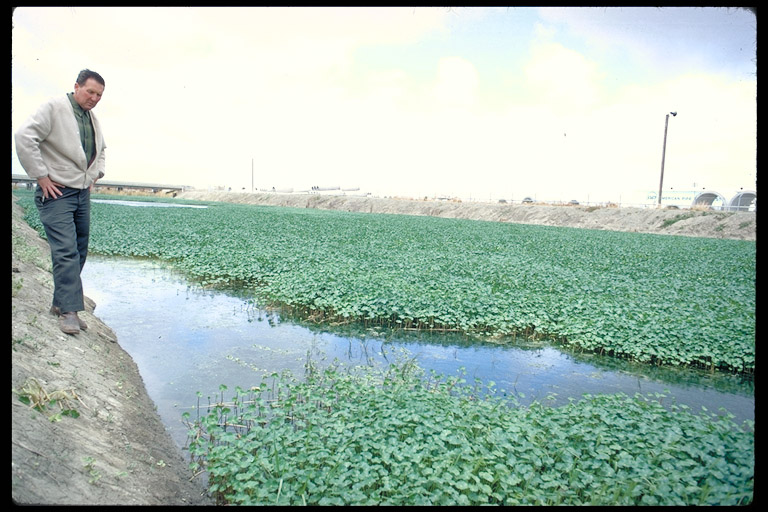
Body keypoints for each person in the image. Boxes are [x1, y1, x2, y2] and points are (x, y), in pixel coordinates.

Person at [15, 69, 107, 335]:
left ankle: (60, 302)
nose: (94, 98)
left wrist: (95, 174)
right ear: (77, 86)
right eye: (90, 91)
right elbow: (24, 137)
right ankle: (69, 312)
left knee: (78, 249)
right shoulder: (54, 107)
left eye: (99, 95)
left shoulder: (93, 119)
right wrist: (41, 176)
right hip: (56, 193)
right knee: (65, 250)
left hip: (81, 192)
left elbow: (101, 151)